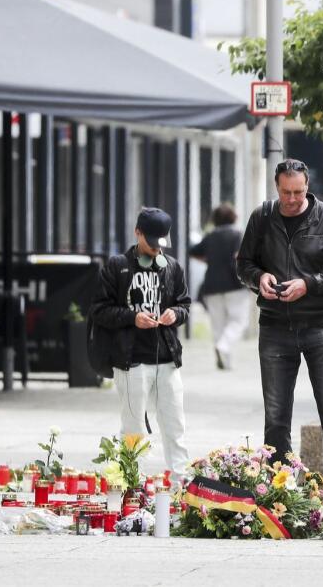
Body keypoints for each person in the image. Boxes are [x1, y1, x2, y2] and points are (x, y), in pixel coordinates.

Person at [236, 159, 323, 475]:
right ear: (277, 187)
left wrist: (309, 284)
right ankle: (279, 490)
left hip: (321, 325)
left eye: (298, 192)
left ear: (308, 187)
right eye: (286, 192)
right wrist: (258, 277)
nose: (292, 199)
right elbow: (243, 264)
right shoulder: (262, 217)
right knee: (276, 418)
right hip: (275, 326)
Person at [89, 208, 192, 474]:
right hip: (131, 361)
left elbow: (185, 305)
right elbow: (99, 311)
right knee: (133, 430)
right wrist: (132, 318)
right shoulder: (116, 266)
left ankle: (182, 487)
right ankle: (132, 486)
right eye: (151, 243)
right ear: (137, 233)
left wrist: (176, 314)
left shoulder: (172, 267)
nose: (157, 251)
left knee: (175, 425)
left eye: (162, 245)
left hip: (167, 359)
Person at [190, 203, 250, 371]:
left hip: (211, 285)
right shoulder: (237, 235)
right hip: (235, 285)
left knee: (218, 325)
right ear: (233, 217)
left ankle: (225, 360)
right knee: (239, 321)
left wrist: (208, 259)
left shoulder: (210, 236)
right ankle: (223, 347)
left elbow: (193, 251)